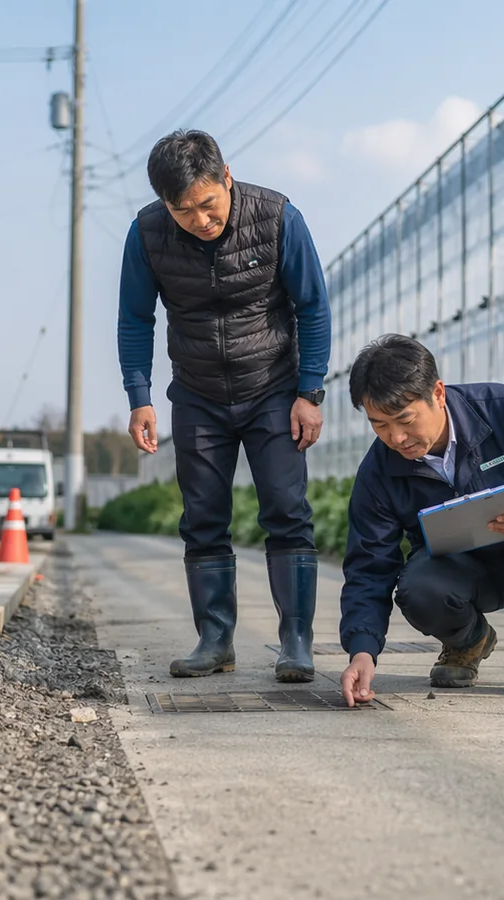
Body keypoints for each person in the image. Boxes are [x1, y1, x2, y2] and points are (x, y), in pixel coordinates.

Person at [118, 130, 331, 682]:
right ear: (165, 204)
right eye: (183, 210)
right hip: (197, 394)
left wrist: (309, 392)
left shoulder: (279, 217)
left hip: (273, 391)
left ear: (227, 177)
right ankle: (215, 640)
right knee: (203, 519)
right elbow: (135, 317)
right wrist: (138, 397)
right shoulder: (146, 233)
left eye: (208, 204)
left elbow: (313, 307)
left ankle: (296, 642)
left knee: (287, 512)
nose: (200, 220)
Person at [336, 335, 504, 705]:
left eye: (404, 419)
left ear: (437, 393)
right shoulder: (378, 473)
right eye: (379, 425)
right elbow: (369, 567)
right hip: (459, 577)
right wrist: (362, 652)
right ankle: (469, 641)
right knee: (417, 589)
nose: (396, 438)